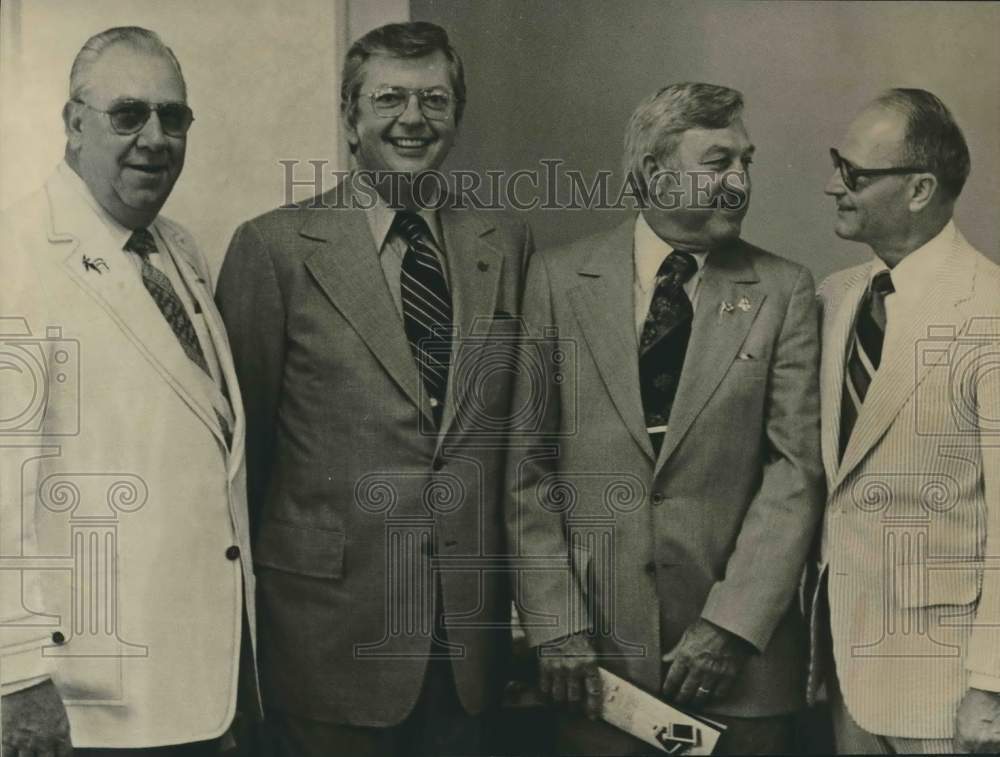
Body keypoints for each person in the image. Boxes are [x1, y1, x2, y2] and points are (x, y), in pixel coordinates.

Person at [215, 21, 533, 757]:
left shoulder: (505, 243)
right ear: (349, 114)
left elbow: (516, 444)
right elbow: (239, 466)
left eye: (434, 99)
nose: (413, 119)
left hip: (465, 645)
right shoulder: (275, 248)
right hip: (325, 636)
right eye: (389, 98)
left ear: (457, 114)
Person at [508, 82, 824, 755]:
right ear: (653, 172)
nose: (739, 181)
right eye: (717, 163)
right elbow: (527, 470)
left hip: (740, 670)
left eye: (747, 161)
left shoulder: (784, 289)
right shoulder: (558, 281)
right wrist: (556, 622)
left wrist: (730, 627)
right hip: (593, 668)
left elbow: (794, 473)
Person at [0, 26, 256, 756]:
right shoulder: (15, 253)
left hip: (202, 689)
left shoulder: (178, 248)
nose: (154, 138)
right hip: (86, 707)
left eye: (173, 118)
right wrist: (16, 676)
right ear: (73, 122)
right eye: (128, 115)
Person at [811, 88, 1000, 754]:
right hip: (844, 672)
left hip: (950, 694)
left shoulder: (990, 309)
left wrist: (992, 685)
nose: (834, 185)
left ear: (920, 188)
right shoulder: (835, 298)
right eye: (839, 163)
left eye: (855, 174)